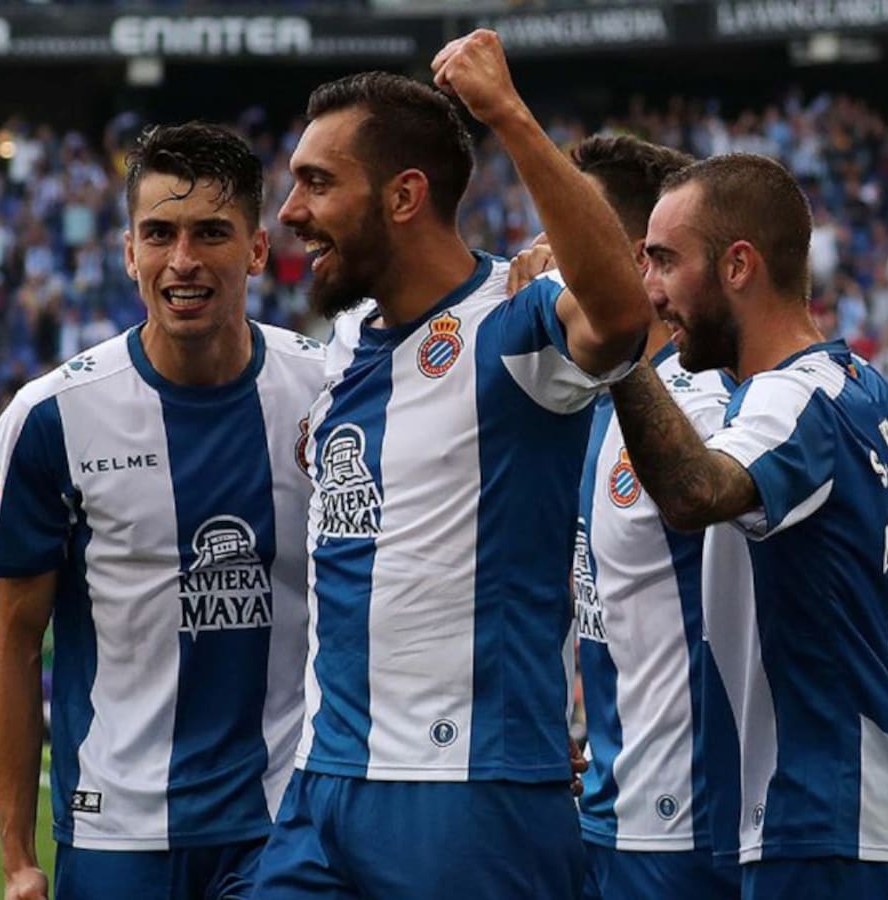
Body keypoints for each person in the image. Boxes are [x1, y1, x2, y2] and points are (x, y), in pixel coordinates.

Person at [251, 30, 653, 900]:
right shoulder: (346, 342)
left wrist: (506, 113)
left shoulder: (515, 319)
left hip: (468, 791)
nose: (288, 211)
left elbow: (621, 317)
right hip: (325, 784)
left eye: (317, 183)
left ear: (404, 195)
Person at [0, 122, 324, 900]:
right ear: (130, 252)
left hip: (286, 821)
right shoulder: (51, 419)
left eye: (212, 233)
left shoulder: (329, 394)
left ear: (257, 250)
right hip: (118, 832)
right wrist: (17, 858)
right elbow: (14, 640)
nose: (184, 260)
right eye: (160, 234)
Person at [607, 153, 888, 899]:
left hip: (829, 817)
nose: (651, 290)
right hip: (869, 809)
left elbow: (694, 492)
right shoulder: (864, 387)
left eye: (665, 261)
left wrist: (618, 351)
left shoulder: (791, 399)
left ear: (739, 266)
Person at [562, 135, 741, 900]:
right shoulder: (597, 403)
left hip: (686, 826)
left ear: (631, 261)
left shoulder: (702, 413)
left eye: (563, 239)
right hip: (608, 804)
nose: (541, 259)